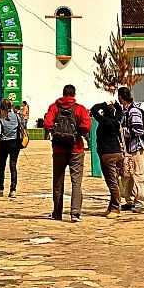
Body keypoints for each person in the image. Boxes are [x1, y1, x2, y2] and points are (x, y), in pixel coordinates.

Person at [43, 84, 92, 222]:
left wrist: (57, 133)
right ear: (74, 94)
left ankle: (57, 212)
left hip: (58, 149)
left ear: (63, 93)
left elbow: (47, 124)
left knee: (58, 181)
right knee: (76, 182)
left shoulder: (54, 107)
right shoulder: (79, 109)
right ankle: (75, 213)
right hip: (76, 148)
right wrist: (76, 133)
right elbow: (87, 126)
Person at [91, 99, 125, 216]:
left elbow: (93, 110)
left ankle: (116, 207)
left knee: (112, 183)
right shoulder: (117, 120)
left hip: (107, 154)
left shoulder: (104, 121)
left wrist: (103, 104)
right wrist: (116, 104)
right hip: (117, 153)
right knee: (114, 181)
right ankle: (111, 206)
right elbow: (120, 110)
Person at [0, 98, 25, 198]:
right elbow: (21, 127)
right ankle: (13, 189)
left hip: (4, 143)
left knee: (2, 166)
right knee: (13, 165)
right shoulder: (16, 116)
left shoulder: (0, 117)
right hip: (15, 143)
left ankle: (1, 188)